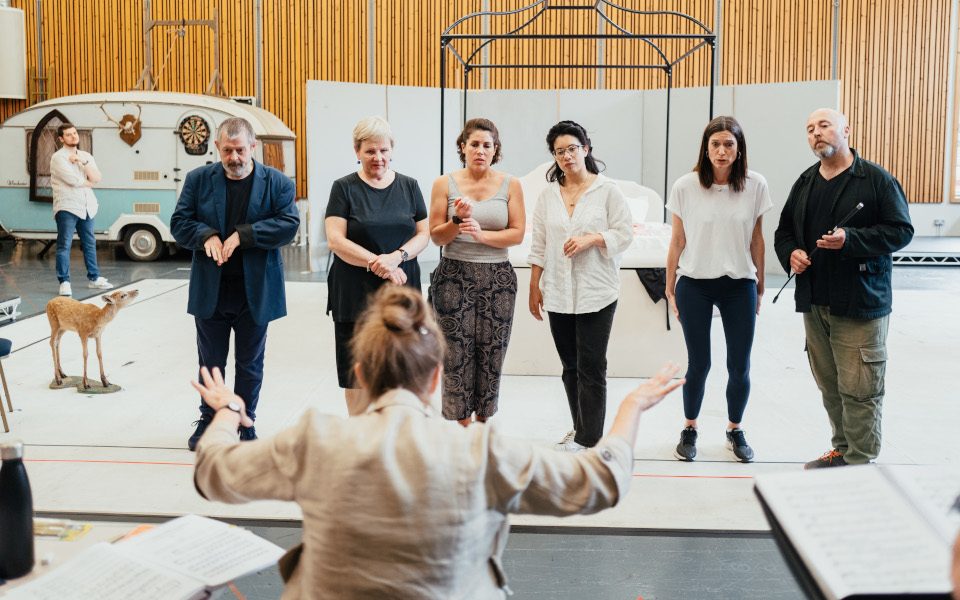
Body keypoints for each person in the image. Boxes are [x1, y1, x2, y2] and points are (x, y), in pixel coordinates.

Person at [192, 285, 684, 598]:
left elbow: (212, 472)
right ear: (435, 379)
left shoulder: (314, 439)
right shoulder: (481, 450)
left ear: (361, 375)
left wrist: (228, 411)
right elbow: (604, 481)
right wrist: (631, 407)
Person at [774, 108, 913, 469]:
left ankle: (860, 461)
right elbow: (784, 232)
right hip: (815, 300)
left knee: (861, 388)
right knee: (831, 385)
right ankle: (842, 449)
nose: (816, 133)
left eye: (824, 126)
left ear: (846, 130)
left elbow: (901, 231)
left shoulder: (877, 180)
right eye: (809, 129)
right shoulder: (805, 182)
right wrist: (793, 254)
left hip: (859, 301)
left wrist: (851, 239)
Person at [171, 117, 299, 451]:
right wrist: (206, 235)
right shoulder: (199, 180)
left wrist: (244, 236)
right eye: (227, 151)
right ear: (217, 148)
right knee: (210, 362)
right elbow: (179, 223)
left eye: (240, 150)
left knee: (250, 363)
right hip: (212, 289)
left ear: (253, 147)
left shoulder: (278, 183)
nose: (235, 158)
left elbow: (288, 225)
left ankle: (246, 420)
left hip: (255, 291)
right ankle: (210, 419)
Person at [665, 116, 772, 463]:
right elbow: (677, 239)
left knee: (739, 364)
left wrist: (759, 285)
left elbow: (757, 238)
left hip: (738, 284)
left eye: (729, 144)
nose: (722, 151)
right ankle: (690, 428)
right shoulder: (686, 185)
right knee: (699, 363)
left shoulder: (755, 185)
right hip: (694, 284)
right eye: (715, 145)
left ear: (739, 148)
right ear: (705, 148)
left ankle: (734, 430)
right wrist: (669, 285)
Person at [528, 120, 633, 452]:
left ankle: (591, 439)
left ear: (586, 149)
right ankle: (580, 428)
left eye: (572, 148)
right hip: (558, 292)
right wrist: (535, 285)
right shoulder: (548, 196)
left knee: (591, 366)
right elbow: (540, 242)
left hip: (596, 292)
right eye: (559, 152)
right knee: (570, 367)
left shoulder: (607, 190)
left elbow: (625, 232)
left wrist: (593, 238)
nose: (566, 156)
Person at [325, 116, 429, 416]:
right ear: (357, 151)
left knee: (400, 365)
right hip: (354, 292)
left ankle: (396, 434)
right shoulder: (343, 188)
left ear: (392, 149)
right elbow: (335, 240)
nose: (378, 158)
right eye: (370, 151)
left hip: (401, 290)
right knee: (355, 370)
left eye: (384, 150)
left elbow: (424, 233)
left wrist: (397, 256)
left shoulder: (409, 186)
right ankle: (359, 436)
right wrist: (376, 262)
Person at [428, 118, 524, 426]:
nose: (480, 150)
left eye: (487, 145)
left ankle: (483, 419)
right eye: (474, 144)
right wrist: (457, 221)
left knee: (492, 351)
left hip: (498, 277)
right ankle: (462, 423)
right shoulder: (445, 184)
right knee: (455, 352)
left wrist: (483, 236)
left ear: (496, 150)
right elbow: (436, 237)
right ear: (462, 147)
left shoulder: (511, 184)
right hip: (453, 275)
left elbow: (517, 233)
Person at [50, 123, 113, 296]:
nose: (73, 136)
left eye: (75, 133)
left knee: (90, 243)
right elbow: (72, 180)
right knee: (65, 244)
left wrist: (81, 161)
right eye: (68, 135)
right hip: (67, 206)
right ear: (61, 139)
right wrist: (89, 182)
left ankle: (94, 278)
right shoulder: (58, 158)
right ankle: (64, 281)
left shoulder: (86, 156)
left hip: (87, 207)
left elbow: (97, 178)